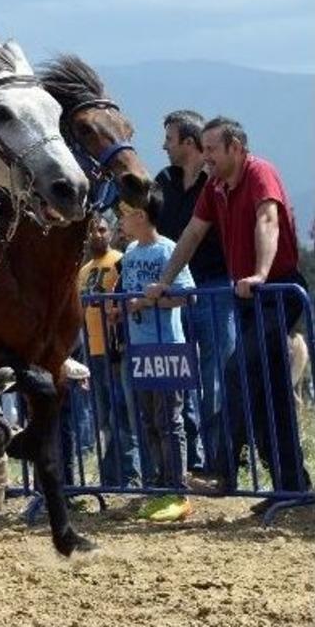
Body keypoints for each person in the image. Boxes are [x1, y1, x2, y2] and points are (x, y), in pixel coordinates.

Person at [147, 117, 310, 496]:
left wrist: (259, 274)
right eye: (203, 150)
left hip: (277, 291)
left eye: (212, 150)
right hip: (247, 296)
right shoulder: (216, 185)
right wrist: (165, 281)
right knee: (269, 390)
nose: (206, 158)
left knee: (238, 371)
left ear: (235, 148)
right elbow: (192, 232)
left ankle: (222, 471)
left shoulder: (259, 172)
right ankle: (293, 484)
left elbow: (268, 220)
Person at [157, 110, 236, 478]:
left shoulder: (216, 182)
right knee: (181, 374)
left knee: (216, 373)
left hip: (215, 284)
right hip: (178, 289)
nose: (164, 146)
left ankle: (223, 458)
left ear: (188, 143)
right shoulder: (163, 181)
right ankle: (192, 456)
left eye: (169, 140)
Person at [117, 190, 195, 522]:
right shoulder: (131, 252)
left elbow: (187, 296)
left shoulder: (168, 250)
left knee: (169, 420)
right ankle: (159, 485)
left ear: (142, 216)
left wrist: (147, 301)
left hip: (168, 346)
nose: (121, 219)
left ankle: (178, 490)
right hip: (139, 346)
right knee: (148, 421)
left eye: (125, 213)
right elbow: (127, 293)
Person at [78, 214, 140, 487]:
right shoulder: (83, 271)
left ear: (112, 232)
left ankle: (131, 474)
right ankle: (111, 474)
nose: (97, 235)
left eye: (102, 230)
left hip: (116, 349)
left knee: (124, 416)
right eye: (92, 230)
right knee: (103, 419)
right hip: (93, 351)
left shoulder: (119, 260)